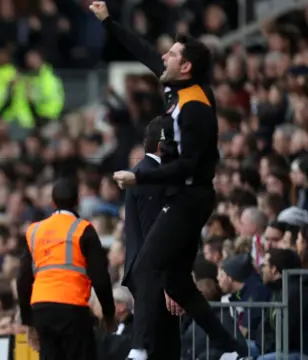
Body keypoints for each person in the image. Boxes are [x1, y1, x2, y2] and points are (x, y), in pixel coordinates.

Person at [89, 2, 251, 359]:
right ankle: (231, 349)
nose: (164, 56)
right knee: (178, 283)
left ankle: (140, 349)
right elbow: (144, 50)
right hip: (183, 195)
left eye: (173, 54)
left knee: (146, 265)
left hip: (191, 198)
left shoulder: (195, 107)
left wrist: (140, 175)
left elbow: (188, 166)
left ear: (187, 66)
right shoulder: (175, 87)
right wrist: (108, 21)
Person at [17, 178, 115, 360]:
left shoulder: (35, 231)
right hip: (73, 308)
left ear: (52, 202)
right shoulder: (84, 229)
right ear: (77, 201)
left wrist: (28, 321)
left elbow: (23, 280)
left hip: (41, 308)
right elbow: (101, 279)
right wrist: (109, 314)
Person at [121, 116, 180, 360]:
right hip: (154, 277)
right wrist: (168, 281)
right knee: (159, 349)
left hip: (150, 275)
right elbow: (154, 235)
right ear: (161, 145)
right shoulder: (150, 176)